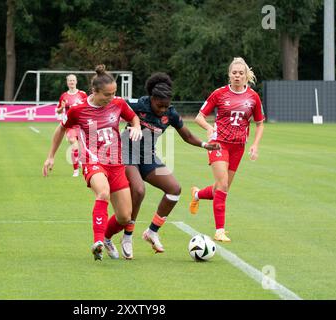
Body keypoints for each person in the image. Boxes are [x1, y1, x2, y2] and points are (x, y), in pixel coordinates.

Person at [43, 65, 142, 261]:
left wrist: (136, 127)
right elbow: (61, 129)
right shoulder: (79, 110)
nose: (111, 97)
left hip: (116, 162)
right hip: (93, 160)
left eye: (114, 93)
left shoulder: (118, 104)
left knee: (124, 217)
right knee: (103, 192)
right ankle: (97, 242)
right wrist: (51, 156)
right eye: (107, 94)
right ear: (94, 91)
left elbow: (133, 117)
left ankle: (106, 238)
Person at [117, 73, 219, 259]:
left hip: (148, 157)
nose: (163, 109)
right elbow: (114, 106)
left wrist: (205, 145)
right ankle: (127, 237)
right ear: (152, 99)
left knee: (174, 189)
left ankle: (152, 232)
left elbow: (187, 136)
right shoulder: (139, 104)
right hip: (126, 154)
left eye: (166, 105)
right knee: (138, 190)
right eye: (159, 105)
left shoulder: (170, 113)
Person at [189, 57, 265, 242]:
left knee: (221, 189)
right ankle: (219, 230)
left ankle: (197, 194)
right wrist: (209, 129)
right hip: (218, 143)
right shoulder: (220, 93)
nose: (237, 76)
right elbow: (199, 117)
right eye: (234, 73)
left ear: (246, 75)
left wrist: (255, 145)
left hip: (238, 147)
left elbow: (260, 123)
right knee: (222, 185)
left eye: (240, 73)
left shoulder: (253, 97)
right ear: (229, 75)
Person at [55, 74, 88, 177]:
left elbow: (88, 106)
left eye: (73, 80)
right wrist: (62, 107)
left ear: (76, 82)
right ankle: (75, 170)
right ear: (67, 82)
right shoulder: (64, 96)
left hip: (81, 125)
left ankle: (80, 163)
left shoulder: (82, 94)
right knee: (74, 145)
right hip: (70, 125)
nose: (72, 82)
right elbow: (58, 110)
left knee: (83, 148)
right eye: (70, 81)